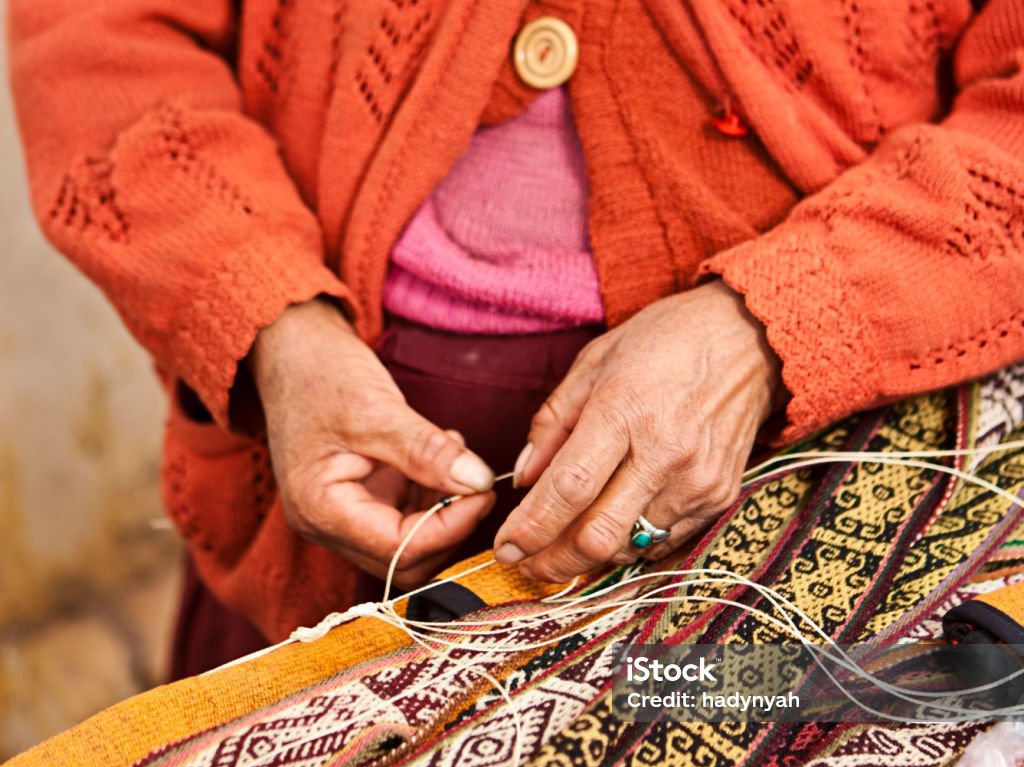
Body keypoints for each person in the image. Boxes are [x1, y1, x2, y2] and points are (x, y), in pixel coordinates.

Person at [9, 0, 1024, 674]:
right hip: (330, 444)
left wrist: (778, 325)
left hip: (799, 458)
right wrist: (265, 318)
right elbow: (101, 39)